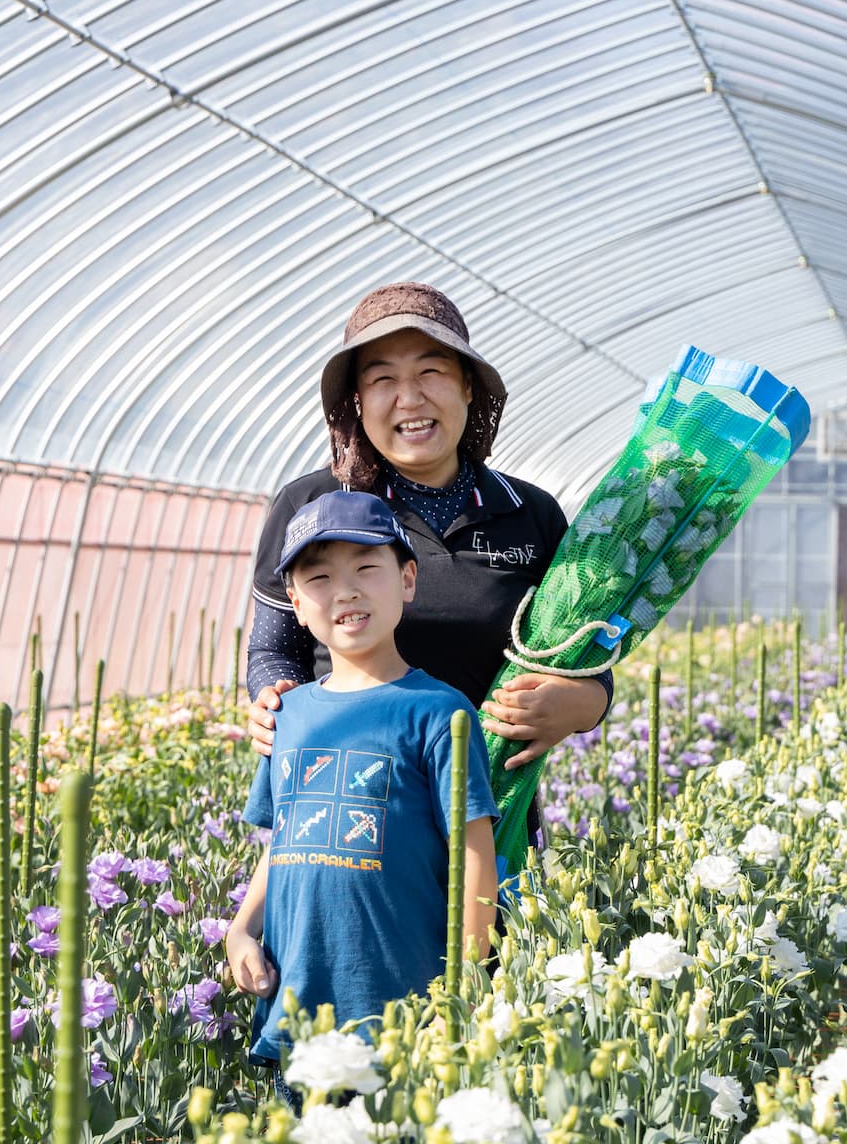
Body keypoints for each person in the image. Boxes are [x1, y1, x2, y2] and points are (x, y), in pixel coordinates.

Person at [243, 283, 611, 798]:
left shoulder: (531, 513)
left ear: (468, 386)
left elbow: (587, 656)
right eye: (382, 379)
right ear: (357, 400)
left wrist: (581, 705)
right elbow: (274, 649)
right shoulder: (311, 505)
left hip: (491, 807)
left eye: (431, 372)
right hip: (346, 796)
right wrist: (272, 698)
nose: (409, 398)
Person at [225, 490, 497, 1105]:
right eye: (319, 577)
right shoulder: (287, 715)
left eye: (365, 569)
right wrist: (242, 929)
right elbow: (287, 838)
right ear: (294, 603)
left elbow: (474, 853)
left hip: (405, 1019)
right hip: (298, 1012)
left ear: (406, 580)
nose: (344, 591)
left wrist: (464, 990)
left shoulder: (440, 712)